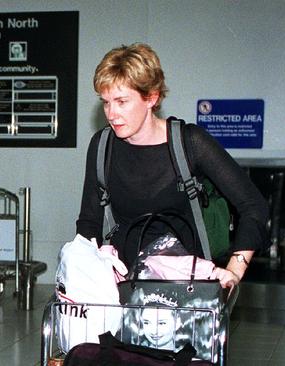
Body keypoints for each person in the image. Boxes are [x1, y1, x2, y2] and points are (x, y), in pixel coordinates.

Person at [76, 43, 270, 288]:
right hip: (125, 286)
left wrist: (235, 268)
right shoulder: (102, 146)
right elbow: (88, 223)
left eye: (122, 101)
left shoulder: (190, 143)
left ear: (151, 97)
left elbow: (254, 206)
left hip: (186, 289)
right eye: (106, 102)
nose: (111, 113)